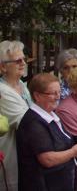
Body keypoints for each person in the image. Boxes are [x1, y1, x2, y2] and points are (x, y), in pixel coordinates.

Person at [17, 73, 77, 191]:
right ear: (37, 96)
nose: (57, 97)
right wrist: (73, 152)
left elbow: (59, 141)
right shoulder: (34, 123)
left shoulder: (51, 114)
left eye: (59, 92)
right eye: (53, 93)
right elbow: (47, 159)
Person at [0, 40, 31, 189]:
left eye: (24, 59)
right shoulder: (2, 91)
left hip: (24, 155)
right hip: (10, 155)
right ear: (3, 67)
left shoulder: (22, 87)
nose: (23, 63)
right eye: (18, 60)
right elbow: (27, 121)